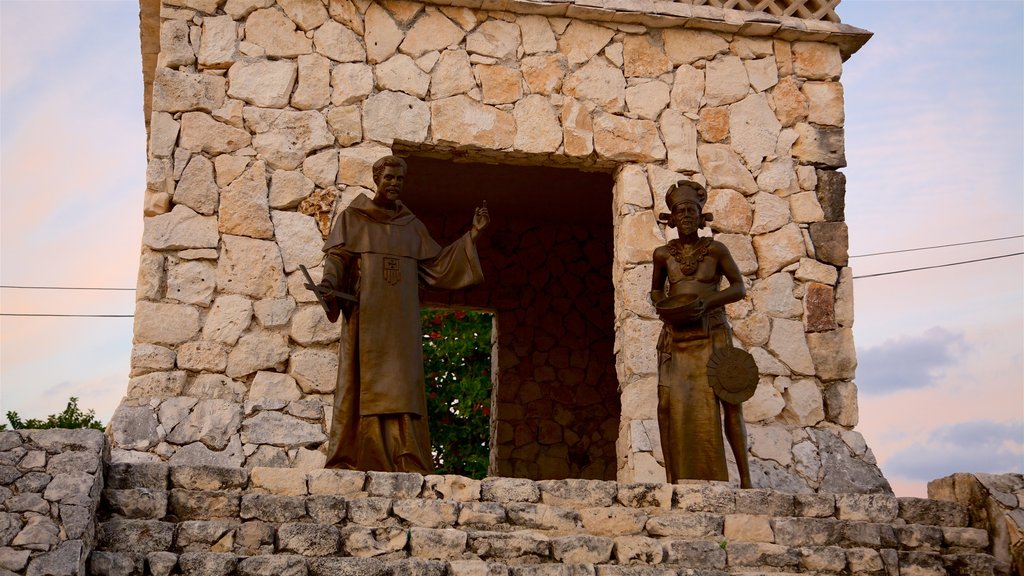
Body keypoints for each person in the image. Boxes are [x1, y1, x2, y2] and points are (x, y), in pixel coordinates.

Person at [317, 155, 490, 473]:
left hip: (402, 322)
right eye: (389, 178)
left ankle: (404, 454)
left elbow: (438, 268)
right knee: (361, 381)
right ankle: (357, 454)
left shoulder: (412, 227)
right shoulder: (352, 219)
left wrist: (473, 236)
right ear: (376, 180)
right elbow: (337, 259)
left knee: (403, 383)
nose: (394, 184)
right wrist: (328, 284)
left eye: (400, 179)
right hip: (366, 315)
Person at [650, 180, 752, 488]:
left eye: (691, 210)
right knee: (667, 403)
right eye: (680, 211)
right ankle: (672, 480)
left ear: (700, 215)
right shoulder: (662, 255)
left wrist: (707, 301)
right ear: (672, 218)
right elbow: (655, 291)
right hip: (676, 333)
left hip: (713, 331)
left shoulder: (716, 250)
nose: (686, 216)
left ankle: (746, 480)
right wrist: (664, 307)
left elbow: (738, 287)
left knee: (729, 399)